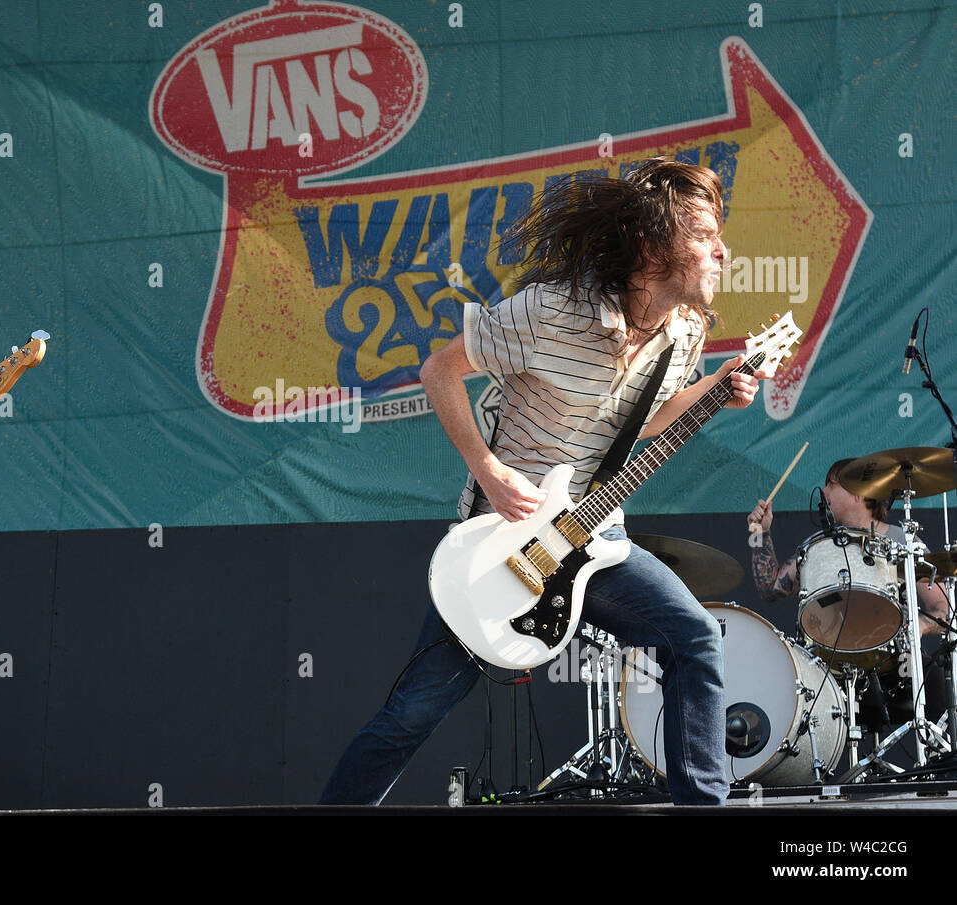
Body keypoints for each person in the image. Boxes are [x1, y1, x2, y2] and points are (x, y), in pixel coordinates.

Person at [320, 159, 771, 806]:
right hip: (505, 544)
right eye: (702, 234)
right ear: (650, 246)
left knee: (694, 636)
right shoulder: (551, 310)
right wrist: (488, 468)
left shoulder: (686, 332)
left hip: (595, 535)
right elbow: (438, 372)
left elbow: (640, 425)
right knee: (414, 713)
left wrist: (714, 392)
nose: (721, 249)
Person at [748, 458, 951, 724]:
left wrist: (918, 628)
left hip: (898, 663)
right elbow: (771, 589)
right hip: (833, 669)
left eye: (831, 485)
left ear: (857, 493)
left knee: (938, 695)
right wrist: (758, 533)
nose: (824, 493)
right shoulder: (818, 547)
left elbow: (944, 609)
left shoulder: (903, 541)